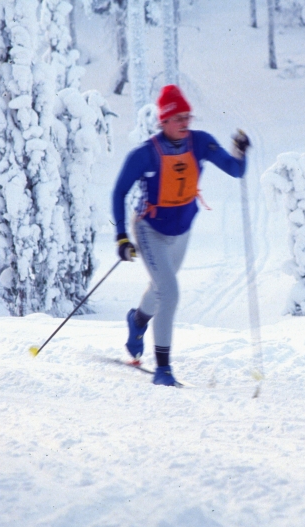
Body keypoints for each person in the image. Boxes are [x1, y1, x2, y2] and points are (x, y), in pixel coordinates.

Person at [112, 85, 249, 386]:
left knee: (161, 290)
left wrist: (240, 152)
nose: (185, 123)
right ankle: (163, 370)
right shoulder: (146, 154)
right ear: (163, 121)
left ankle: (137, 322)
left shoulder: (200, 143)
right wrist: (122, 237)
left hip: (182, 231)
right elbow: (119, 190)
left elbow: (235, 170)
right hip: (150, 230)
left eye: (188, 117)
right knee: (170, 292)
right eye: (178, 118)